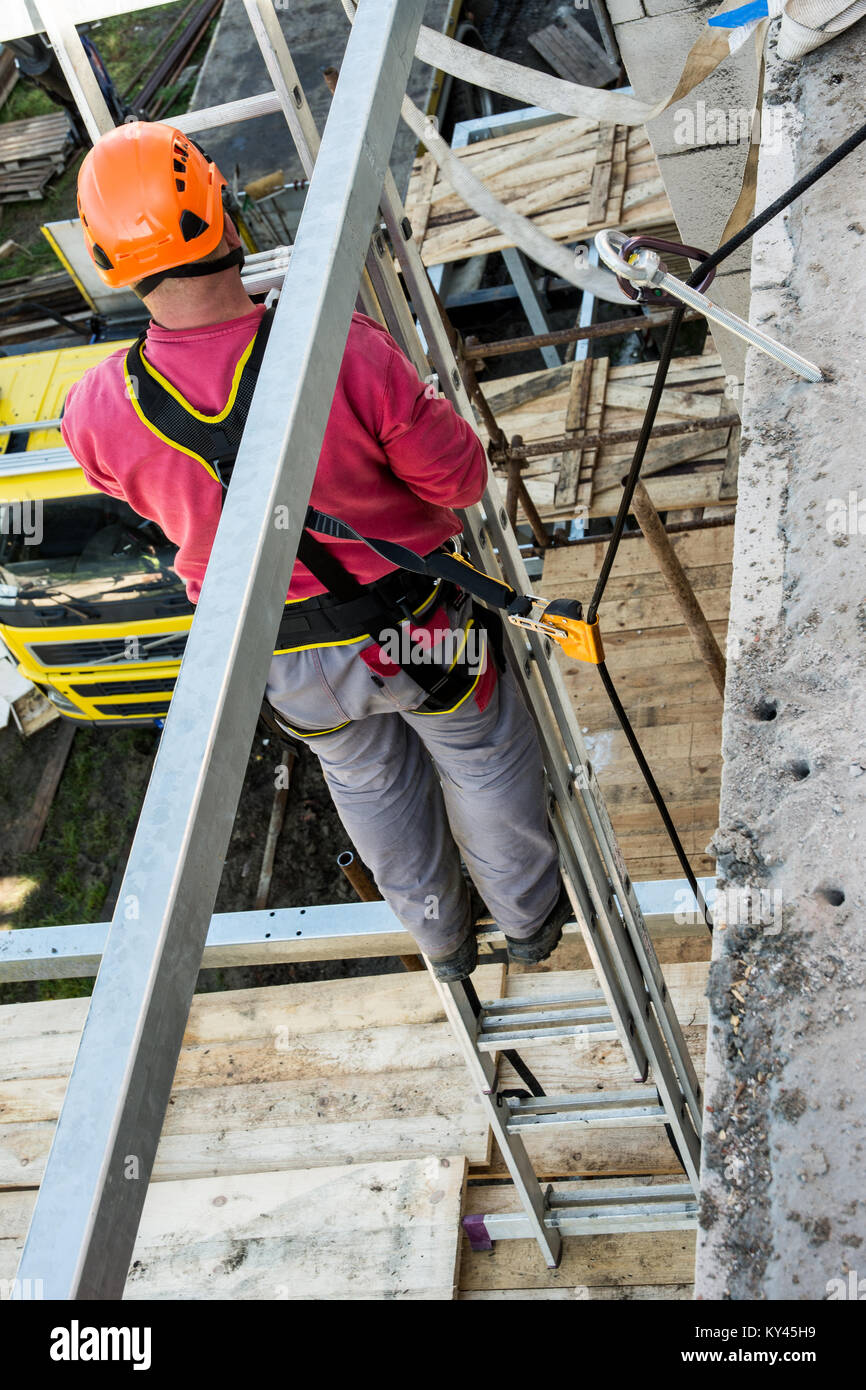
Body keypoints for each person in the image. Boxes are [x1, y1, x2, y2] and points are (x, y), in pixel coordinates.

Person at [63, 120, 571, 980]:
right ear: (223, 213)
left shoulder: (97, 410)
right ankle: (529, 920)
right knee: (482, 760)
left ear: (110, 260)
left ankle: (443, 942)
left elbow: (139, 494)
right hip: (412, 628)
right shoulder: (341, 346)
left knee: (367, 783)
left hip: (282, 657)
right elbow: (456, 483)